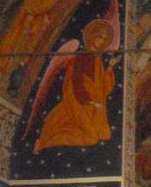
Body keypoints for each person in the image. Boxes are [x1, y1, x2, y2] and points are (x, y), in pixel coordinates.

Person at [33, 18, 118, 153]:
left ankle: (47, 139)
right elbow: (75, 81)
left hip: (94, 104)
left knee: (104, 134)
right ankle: (45, 143)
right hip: (79, 100)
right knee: (91, 137)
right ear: (93, 36)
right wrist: (89, 101)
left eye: (105, 39)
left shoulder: (98, 60)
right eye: (100, 37)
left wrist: (109, 68)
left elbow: (103, 88)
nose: (102, 41)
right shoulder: (82, 55)